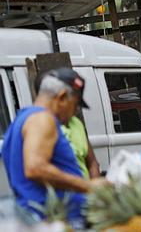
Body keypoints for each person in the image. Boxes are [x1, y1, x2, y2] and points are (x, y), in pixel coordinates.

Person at [2, 68, 104, 223]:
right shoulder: (43, 119)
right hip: (54, 220)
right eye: (75, 104)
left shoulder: (21, 119)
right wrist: (88, 186)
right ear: (62, 97)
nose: (74, 112)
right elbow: (35, 168)